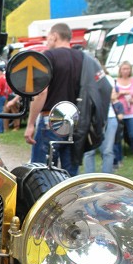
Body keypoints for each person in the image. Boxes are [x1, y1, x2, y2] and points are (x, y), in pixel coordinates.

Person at [24, 23, 84, 176]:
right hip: (74, 120)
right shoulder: (82, 57)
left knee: (42, 173)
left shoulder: (48, 57)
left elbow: (41, 92)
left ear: (55, 36)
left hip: (50, 119)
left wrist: (30, 124)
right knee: (70, 176)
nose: (47, 41)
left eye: (48, 37)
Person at [83, 73, 120, 174]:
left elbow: (113, 96)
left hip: (109, 117)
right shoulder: (84, 78)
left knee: (107, 151)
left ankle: (106, 182)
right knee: (89, 151)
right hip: (89, 118)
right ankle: (89, 182)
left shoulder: (107, 78)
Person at [114, 61, 133, 167]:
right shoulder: (116, 81)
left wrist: (132, 100)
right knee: (118, 137)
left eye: (127, 69)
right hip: (119, 112)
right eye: (123, 69)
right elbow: (113, 95)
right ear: (120, 70)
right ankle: (119, 159)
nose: (126, 71)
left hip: (130, 112)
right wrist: (122, 93)